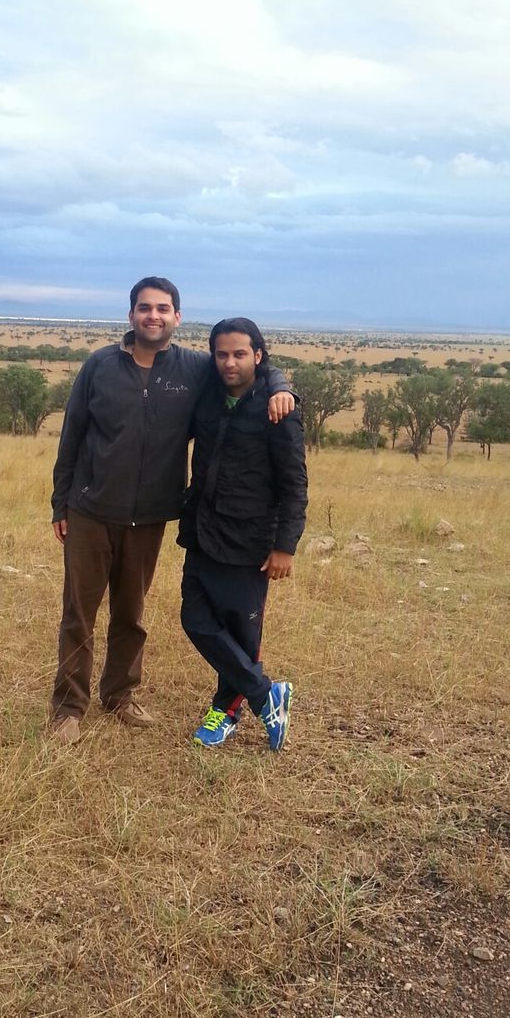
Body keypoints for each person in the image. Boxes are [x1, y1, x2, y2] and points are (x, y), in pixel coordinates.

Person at [49, 278, 295, 744]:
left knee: (131, 613)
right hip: (91, 510)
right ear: (131, 316)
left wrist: (283, 387)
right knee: (79, 614)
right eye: (145, 308)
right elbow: (73, 435)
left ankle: (120, 695)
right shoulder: (99, 366)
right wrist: (60, 500)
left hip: (151, 516)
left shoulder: (194, 367)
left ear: (177, 317)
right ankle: (67, 708)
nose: (153, 316)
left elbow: (247, 363)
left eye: (163, 308)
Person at [178, 317, 307, 752]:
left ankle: (225, 711)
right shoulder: (208, 395)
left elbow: (294, 484)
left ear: (258, 355)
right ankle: (265, 693)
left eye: (239, 354)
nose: (229, 362)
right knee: (194, 620)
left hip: (249, 540)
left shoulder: (278, 408)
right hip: (202, 530)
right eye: (221, 354)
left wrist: (285, 546)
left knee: (240, 633)